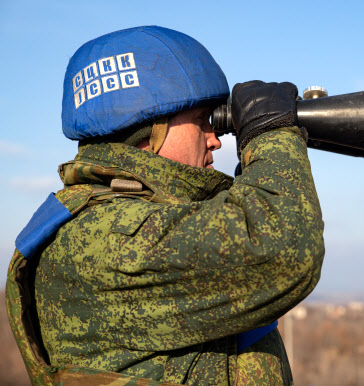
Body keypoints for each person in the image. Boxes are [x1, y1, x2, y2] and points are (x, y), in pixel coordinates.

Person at [5, 26, 324, 385]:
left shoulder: (135, 220)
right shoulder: (103, 238)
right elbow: (282, 249)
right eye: (204, 121)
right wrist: (271, 136)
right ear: (150, 125)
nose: (216, 140)